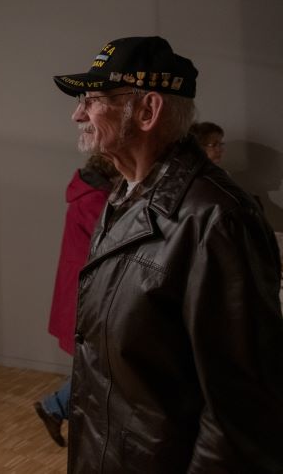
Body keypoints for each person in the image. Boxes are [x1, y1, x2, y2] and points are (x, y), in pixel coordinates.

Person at [53, 36, 283, 472]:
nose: (77, 114)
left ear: (147, 110)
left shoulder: (216, 219)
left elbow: (240, 411)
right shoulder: (124, 195)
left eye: (94, 99)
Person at [34, 154, 119, 447]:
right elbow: (110, 244)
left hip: (84, 289)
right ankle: (56, 407)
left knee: (98, 364)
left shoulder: (89, 196)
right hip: (88, 291)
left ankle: (56, 407)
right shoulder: (94, 200)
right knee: (100, 364)